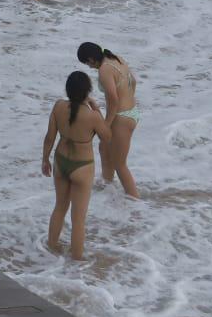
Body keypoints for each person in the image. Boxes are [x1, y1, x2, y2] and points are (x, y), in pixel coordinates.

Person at [41, 71, 111, 259]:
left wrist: (45, 159)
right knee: (78, 219)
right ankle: (77, 263)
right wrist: (96, 108)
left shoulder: (58, 106)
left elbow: (49, 137)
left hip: (60, 161)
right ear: (87, 91)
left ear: (67, 89)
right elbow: (107, 137)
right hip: (82, 166)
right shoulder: (92, 116)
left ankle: (51, 248)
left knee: (59, 207)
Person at [80, 42, 140, 198]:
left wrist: (106, 125)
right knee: (104, 148)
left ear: (91, 59)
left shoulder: (104, 71)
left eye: (87, 63)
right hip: (132, 112)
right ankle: (107, 185)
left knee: (120, 164)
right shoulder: (116, 58)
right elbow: (133, 81)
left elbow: (113, 100)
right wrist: (129, 99)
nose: (88, 66)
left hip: (122, 117)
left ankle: (136, 204)